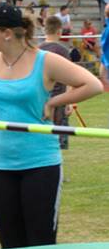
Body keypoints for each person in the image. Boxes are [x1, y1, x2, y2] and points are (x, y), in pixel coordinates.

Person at [0, 2, 103, 249]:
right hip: (0, 163)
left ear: (7, 33)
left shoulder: (45, 61)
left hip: (41, 163)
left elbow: (92, 85)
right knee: (10, 245)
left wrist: (55, 102)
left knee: (40, 244)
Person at [39, 15, 74, 150]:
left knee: (41, 136)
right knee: (58, 140)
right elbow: (71, 78)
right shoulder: (63, 51)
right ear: (59, 31)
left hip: (39, 99)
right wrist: (70, 101)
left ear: (44, 30)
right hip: (59, 99)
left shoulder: (36, 50)